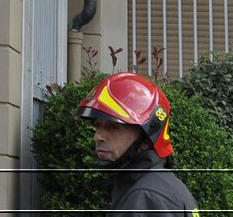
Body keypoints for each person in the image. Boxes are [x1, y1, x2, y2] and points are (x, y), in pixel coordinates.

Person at [77, 72, 202, 216]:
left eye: (113, 127)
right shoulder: (159, 184)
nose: (98, 136)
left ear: (146, 140)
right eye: (98, 125)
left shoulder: (146, 197)